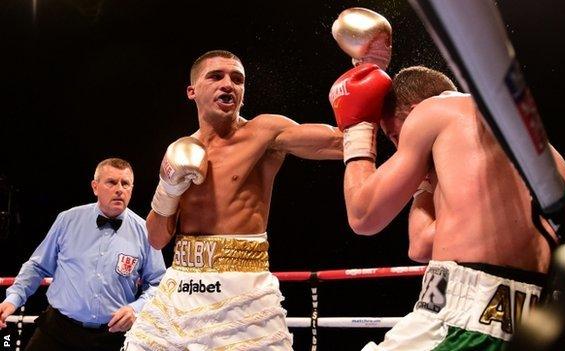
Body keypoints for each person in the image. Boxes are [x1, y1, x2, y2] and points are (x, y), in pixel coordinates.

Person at [329, 64, 565, 350]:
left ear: (415, 111)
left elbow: (362, 216)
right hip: (532, 329)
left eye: (394, 135)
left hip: (462, 321)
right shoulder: (546, 153)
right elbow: (420, 246)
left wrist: (357, 133)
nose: (398, 147)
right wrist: (423, 180)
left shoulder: (433, 111)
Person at [123, 50, 343, 351]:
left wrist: (368, 106)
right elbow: (157, 239)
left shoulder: (264, 132)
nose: (228, 84)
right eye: (216, 76)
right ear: (192, 91)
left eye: (237, 79)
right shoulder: (180, 149)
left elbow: (340, 143)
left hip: (242, 288)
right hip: (182, 285)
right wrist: (168, 189)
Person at [0, 158, 166, 351]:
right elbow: (37, 266)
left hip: (112, 337)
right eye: (111, 182)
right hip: (58, 330)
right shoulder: (68, 220)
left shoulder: (145, 231)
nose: (119, 189)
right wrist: (13, 299)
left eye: (125, 183)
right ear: (95, 187)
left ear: (132, 189)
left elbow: (158, 284)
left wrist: (136, 309)